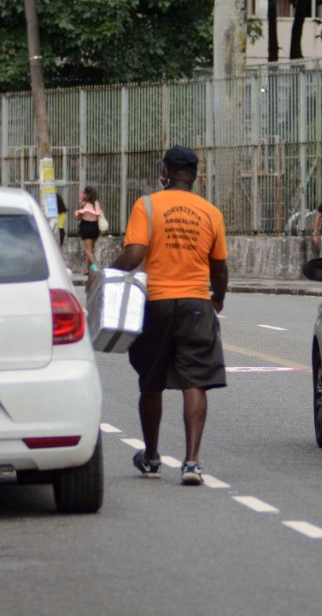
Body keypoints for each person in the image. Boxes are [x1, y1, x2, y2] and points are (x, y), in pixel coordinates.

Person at [106, 145, 228, 486]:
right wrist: (217, 299)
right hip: (196, 303)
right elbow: (219, 269)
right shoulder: (210, 212)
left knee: (151, 381)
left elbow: (133, 255)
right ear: (196, 174)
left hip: (155, 302)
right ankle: (191, 462)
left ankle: (151, 456)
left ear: (165, 172)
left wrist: (104, 274)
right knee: (195, 380)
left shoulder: (146, 205)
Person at [75, 187, 104, 272]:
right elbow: (99, 216)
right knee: (91, 250)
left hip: (86, 227)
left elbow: (78, 217)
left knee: (88, 250)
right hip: (95, 228)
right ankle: (88, 269)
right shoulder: (96, 204)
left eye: (83, 193)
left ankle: (95, 267)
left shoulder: (83, 204)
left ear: (86, 194)